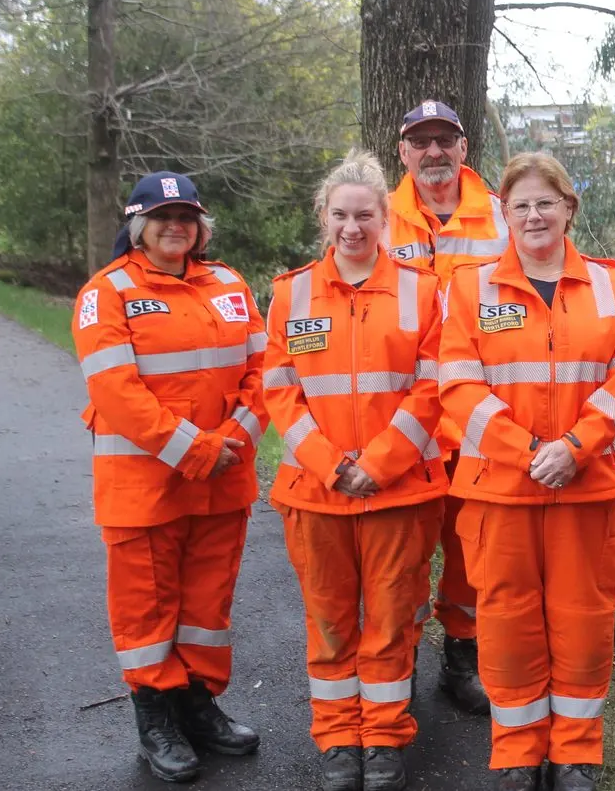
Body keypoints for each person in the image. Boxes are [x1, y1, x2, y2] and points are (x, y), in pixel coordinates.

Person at [438, 153, 615, 791]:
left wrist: (577, 446)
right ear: (503, 215)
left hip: (587, 488)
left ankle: (576, 753)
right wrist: (526, 450)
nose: (533, 215)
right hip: (502, 491)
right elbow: (456, 382)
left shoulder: (613, 284)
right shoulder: (470, 287)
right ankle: (516, 754)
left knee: (583, 621)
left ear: (569, 209)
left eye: (545, 202)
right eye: (520, 205)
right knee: (506, 625)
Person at [72, 171, 264, 783]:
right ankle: (155, 715)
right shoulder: (109, 292)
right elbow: (116, 392)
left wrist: (234, 439)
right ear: (138, 225)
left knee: (207, 604)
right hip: (145, 486)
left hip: (222, 479)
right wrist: (194, 449)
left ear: (201, 226)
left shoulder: (231, 284)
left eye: (186, 215)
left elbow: (267, 369)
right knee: (147, 606)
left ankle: (197, 704)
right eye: (162, 216)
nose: (175, 225)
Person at [264, 150, 446, 791]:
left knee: (394, 620)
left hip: (398, 493)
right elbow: (280, 388)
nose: (351, 227)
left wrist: (379, 464)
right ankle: (340, 739)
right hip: (316, 495)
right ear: (323, 216)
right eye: (340, 214)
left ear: (384, 218)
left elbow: (434, 387)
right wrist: (328, 463)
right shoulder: (291, 293)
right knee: (331, 621)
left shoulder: (422, 291)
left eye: (364, 214)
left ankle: (386, 739)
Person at [387, 99, 506, 714]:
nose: (433, 152)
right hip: (402, 424)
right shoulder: (376, 220)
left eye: (444, 140)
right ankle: (396, 663)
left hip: (476, 422)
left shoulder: (502, 218)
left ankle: (462, 659)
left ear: (463, 147)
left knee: (472, 551)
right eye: (421, 141)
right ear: (403, 151)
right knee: (402, 555)